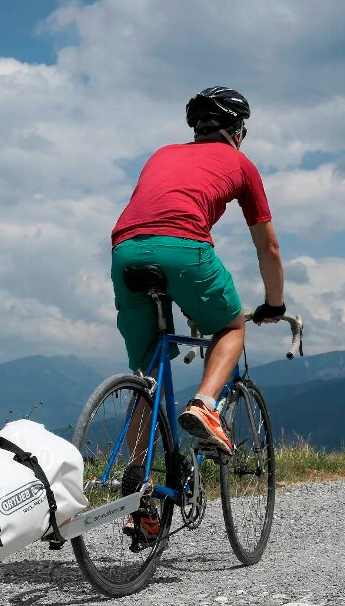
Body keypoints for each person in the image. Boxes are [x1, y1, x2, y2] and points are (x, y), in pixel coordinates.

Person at [110, 86, 286, 467]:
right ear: (238, 130)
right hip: (185, 248)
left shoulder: (162, 153)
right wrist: (275, 303)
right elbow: (268, 248)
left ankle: (139, 488)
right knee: (231, 326)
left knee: (147, 378)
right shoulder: (241, 164)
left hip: (124, 251)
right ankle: (205, 406)